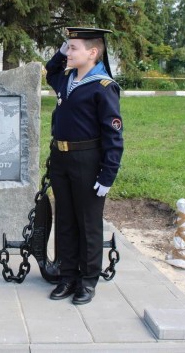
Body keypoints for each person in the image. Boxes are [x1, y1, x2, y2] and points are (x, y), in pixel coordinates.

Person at [44, 27, 124, 305]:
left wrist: (108, 174)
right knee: (64, 219)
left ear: (92, 53)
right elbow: (50, 69)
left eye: (74, 47)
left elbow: (114, 134)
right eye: (67, 47)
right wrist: (63, 49)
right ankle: (67, 276)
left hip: (88, 161)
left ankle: (87, 281)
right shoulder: (66, 80)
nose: (68, 52)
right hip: (62, 159)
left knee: (88, 223)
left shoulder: (103, 87)